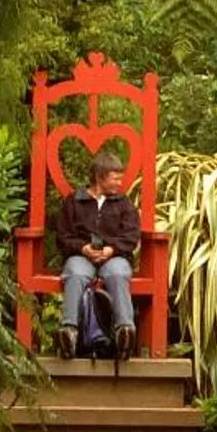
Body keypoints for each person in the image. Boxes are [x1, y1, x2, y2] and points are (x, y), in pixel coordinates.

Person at [54, 152, 141, 360]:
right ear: (100, 177)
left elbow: (131, 235)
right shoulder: (74, 201)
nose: (120, 183)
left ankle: (124, 330)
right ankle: (70, 330)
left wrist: (112, 249)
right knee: (75, 273)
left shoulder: (123, 204)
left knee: (118, 274)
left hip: (114, 256)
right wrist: (83, 248)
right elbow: (63, 235)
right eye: (115, 178)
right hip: (81, 255)